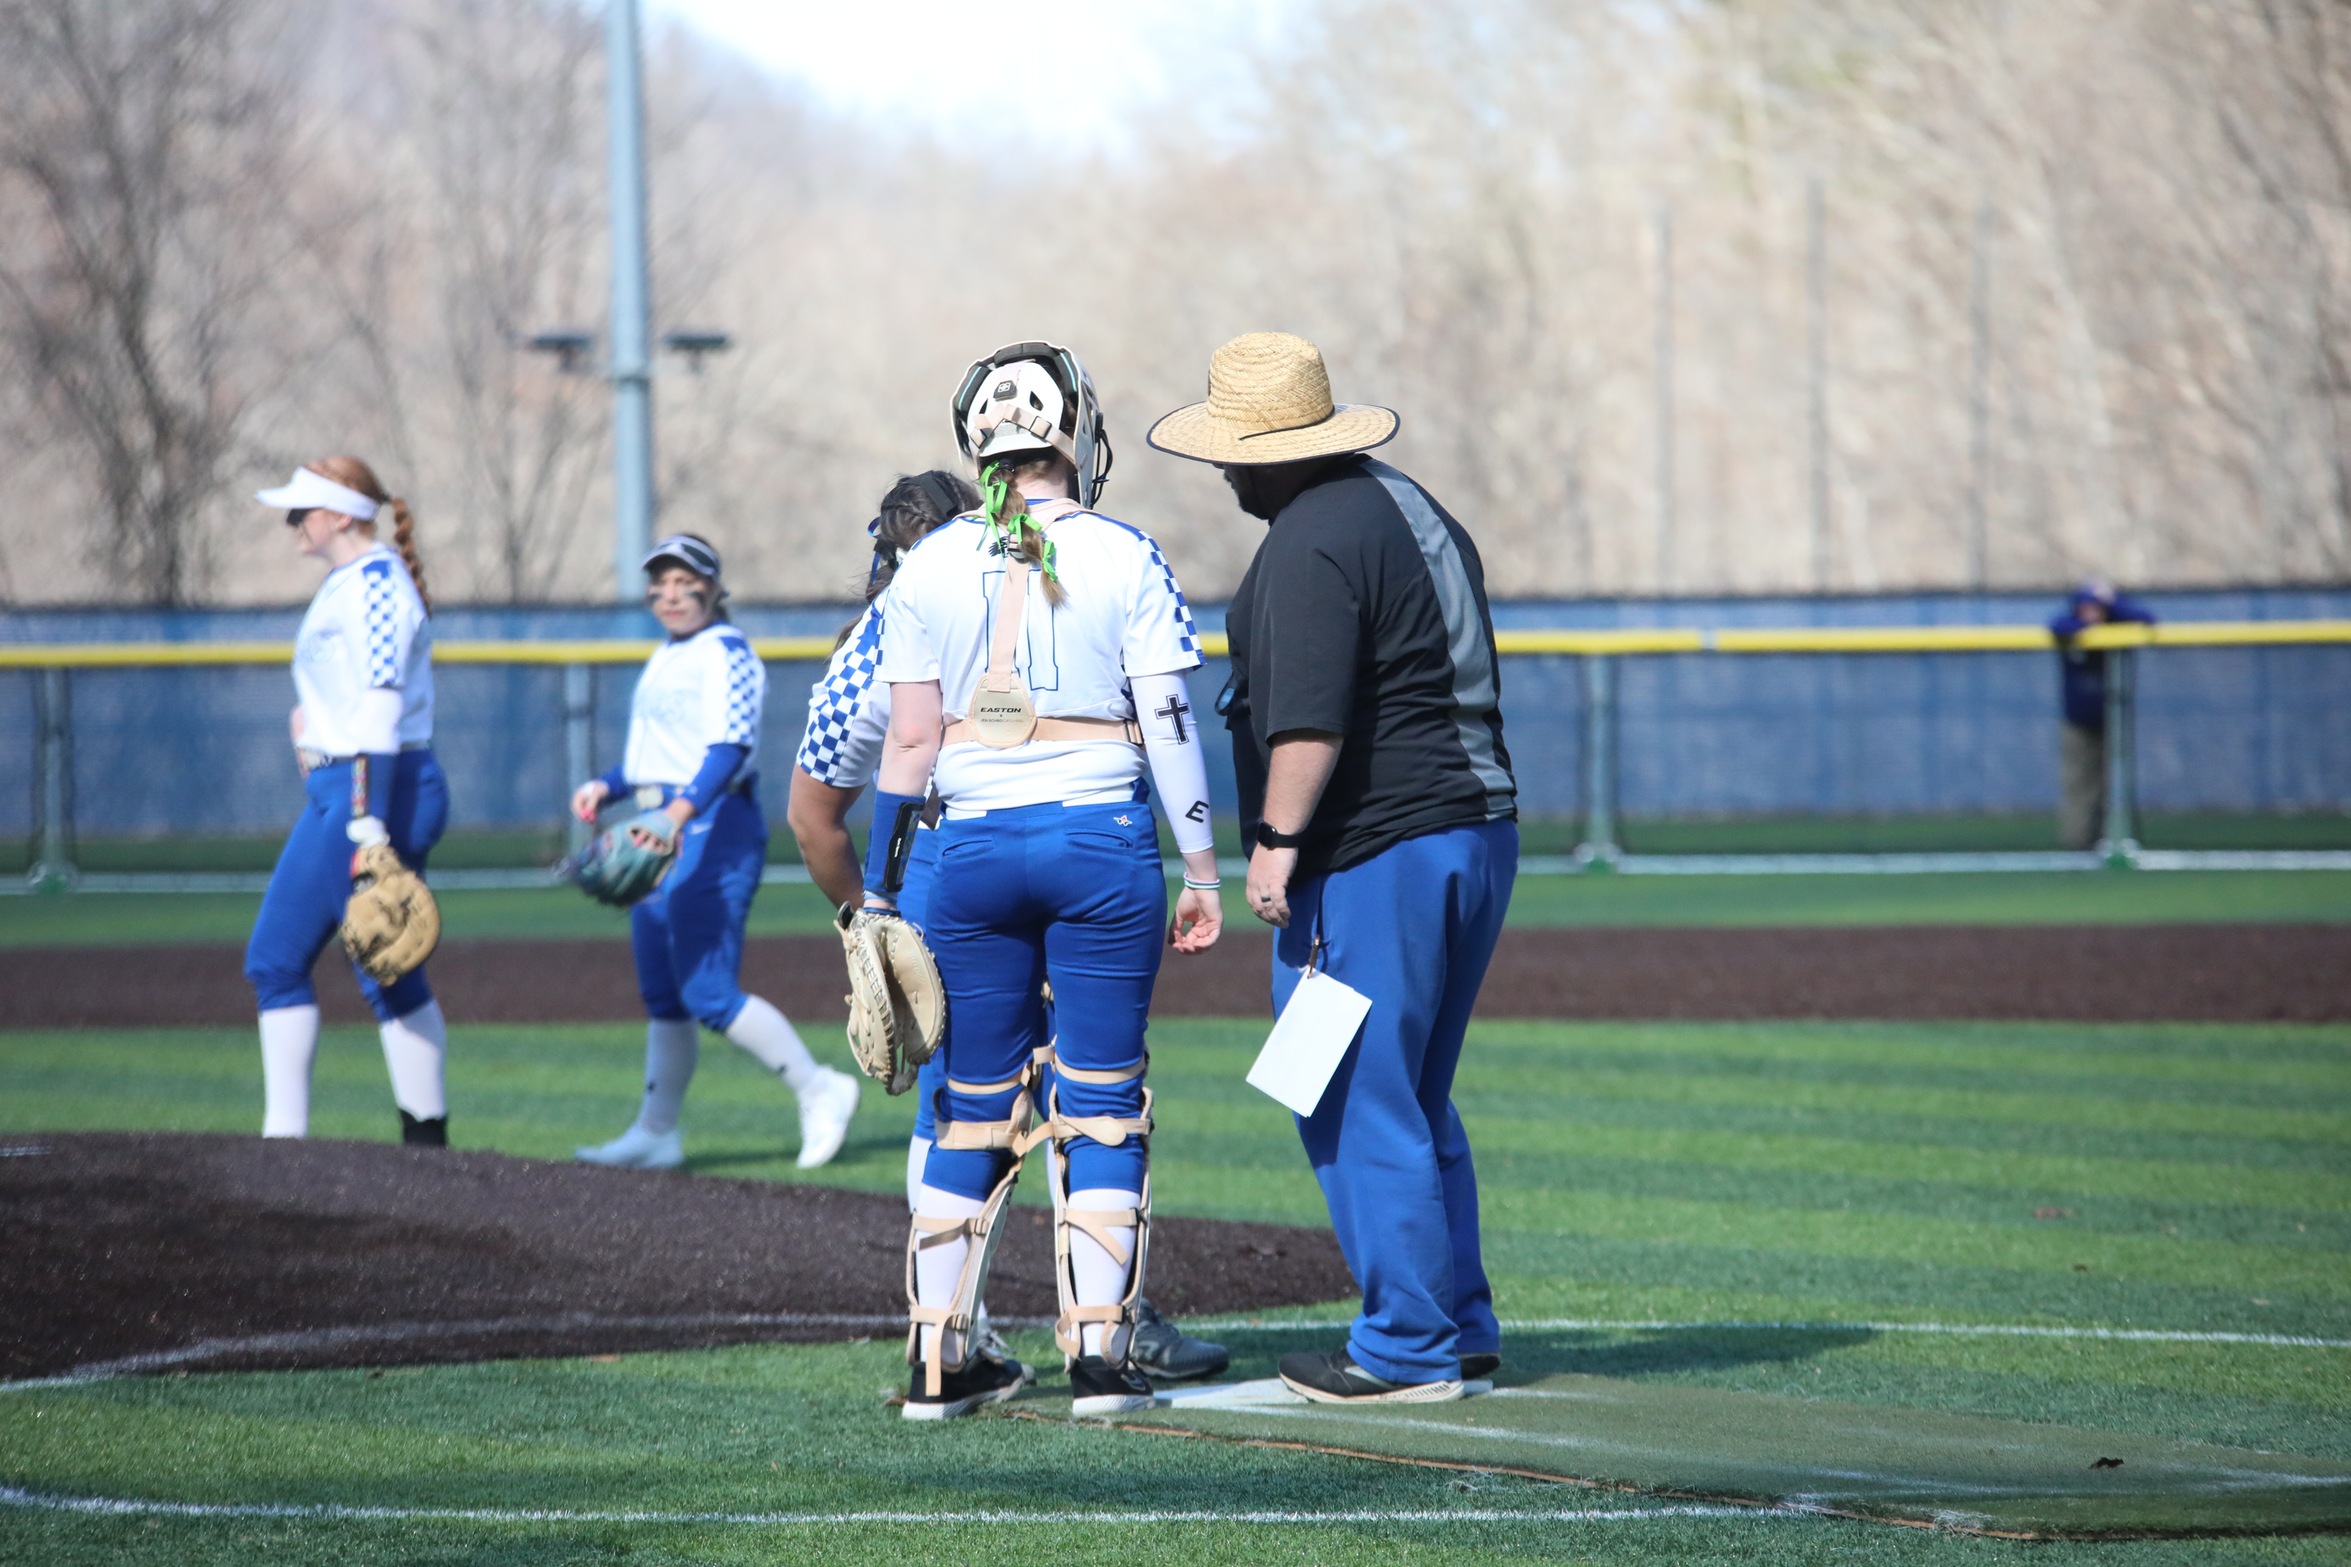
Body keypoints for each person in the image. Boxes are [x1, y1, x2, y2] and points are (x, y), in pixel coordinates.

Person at [788, 468, 1229, 1392]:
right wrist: (1200, 867)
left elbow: (815, 807)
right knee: (1098, 1096)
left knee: (962, 1107)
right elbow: (1163, 714)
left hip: (959, 860)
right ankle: (1104, 1335)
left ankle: (949, 1345)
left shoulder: (902, 606)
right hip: (1085, 838)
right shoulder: (1091, 557)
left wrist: (870, 909)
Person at [1149, 331, 1518, 1405]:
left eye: (1231, 449)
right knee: (1409, 1093)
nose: (1221, 469)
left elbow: (1306, 721)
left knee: (1354, 1094)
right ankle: (1457, 1324)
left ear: (1276, 449)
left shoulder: (1310, 537)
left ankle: (1407, 1345)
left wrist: (1272, 844)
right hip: (1469, 834)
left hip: (1375, 850)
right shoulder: (1407, 503)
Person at [572, 533, 863, 1172]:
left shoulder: (728, 653)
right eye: (662, 583)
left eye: (686, 582)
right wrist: (610, 786)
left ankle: (820, 1088)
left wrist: (675, 816)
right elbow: (656, 753)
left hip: (710, 826)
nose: (671, 594)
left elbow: (727, 749)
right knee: (664, 994)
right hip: (663, 821)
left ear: (713, 588)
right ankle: (657, 1131)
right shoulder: (666, 656)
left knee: (707, 991)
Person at [244, 457, 453, 1146]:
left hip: (381, 787)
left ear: (339, 515)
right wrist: (311, 727)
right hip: (345, 785)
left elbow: (382, 710)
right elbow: (347, 699)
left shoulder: (377, 586)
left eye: (301, 510)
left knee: (384, 959)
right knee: (275, 959)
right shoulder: (348, 584)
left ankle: (427, 1147)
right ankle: (284, 1147)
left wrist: (368, 820)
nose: (292, 522)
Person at [2049, 580, 2156, 851]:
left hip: (2114, 721)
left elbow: (2147, 619)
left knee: (2111, 784)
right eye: (2086, 608)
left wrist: (2112, 602)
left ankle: (2110, 839)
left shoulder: (2117, 627)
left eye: (2097, 608)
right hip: (2077, 722)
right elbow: (2057, 625)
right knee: (2079, 783)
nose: (2091, 614)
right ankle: (2078, 842)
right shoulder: (2069, 630)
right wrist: (2089, 625)